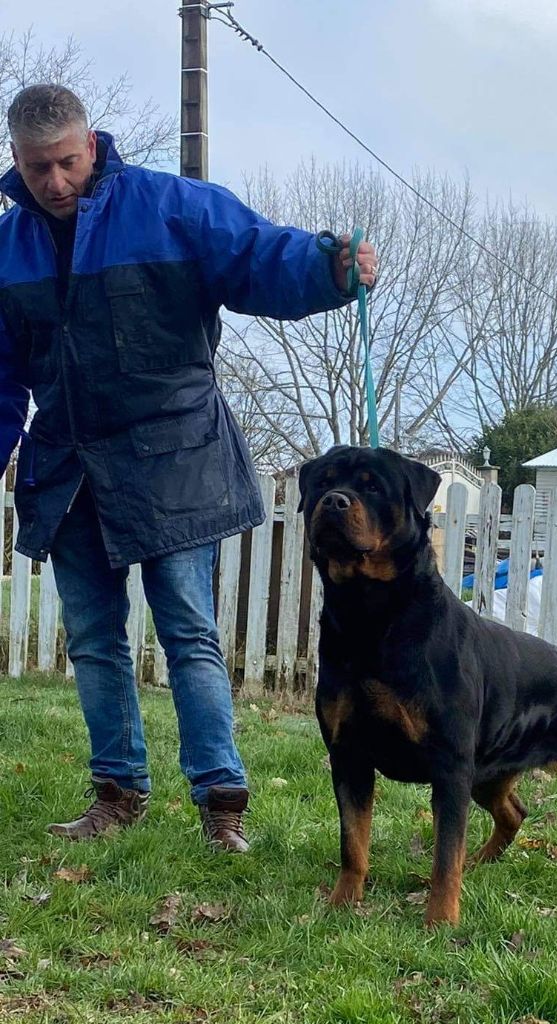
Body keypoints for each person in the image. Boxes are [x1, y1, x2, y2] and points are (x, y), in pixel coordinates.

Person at [0, 84, 378, 852]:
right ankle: (116, 794)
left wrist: (329, 270)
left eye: (67, 162)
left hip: (176, 456)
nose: (56, 182)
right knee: (93, 639)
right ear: (16, 159)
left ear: (91, 145)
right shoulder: (8, 249)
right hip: (69, 466)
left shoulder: (171, 209)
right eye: (38, 168)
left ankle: (221, 806)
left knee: (189, 633)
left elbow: (258, 256)